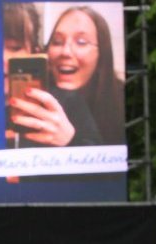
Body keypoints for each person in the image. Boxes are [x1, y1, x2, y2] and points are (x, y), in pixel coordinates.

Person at [2, 3, 102, 149]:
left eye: (15, 48)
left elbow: (103, 166)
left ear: (34, 52)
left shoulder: (67, 102)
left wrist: (69, 141)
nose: (2, 58)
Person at [44, 6, 126, 145]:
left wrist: (71, 141)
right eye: (57, 42)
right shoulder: (36, 97)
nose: (66, 52)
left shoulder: (121, 100)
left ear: (101, 55)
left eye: (81, 42)